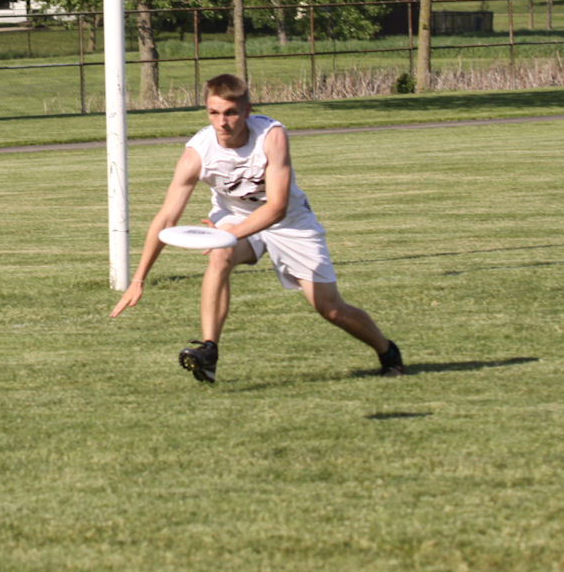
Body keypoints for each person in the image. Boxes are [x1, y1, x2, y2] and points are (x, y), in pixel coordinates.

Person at [109, 73, 404, 384]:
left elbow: (276, 207)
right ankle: (209, 351)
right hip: (233, 215)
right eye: (214, 113)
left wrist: (226, 235)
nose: (222, 122)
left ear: (247, 110)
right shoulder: (197, 154)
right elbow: (166, 218)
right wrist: (138, 279)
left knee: (330, 308)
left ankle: (387, 351)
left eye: (230, 113)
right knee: (220, 256)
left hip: (290, 222)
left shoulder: (271, 136)